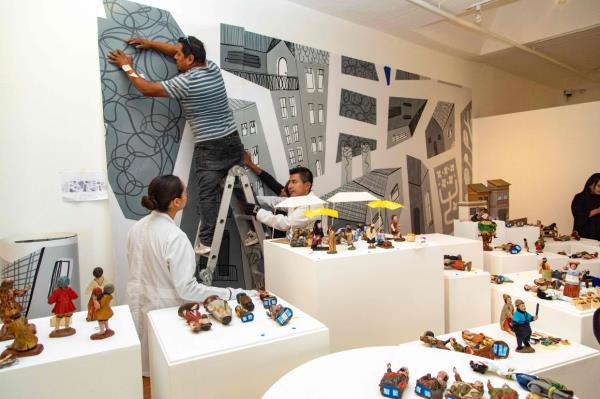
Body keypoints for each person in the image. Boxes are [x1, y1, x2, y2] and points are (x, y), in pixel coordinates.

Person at [108, 36, 243, 256]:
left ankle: (207, 242)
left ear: (190, 59)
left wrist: (127, 66)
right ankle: (251, 232)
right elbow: (174, 50)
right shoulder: (212, 68)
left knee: (207, 194)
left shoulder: (186, 82)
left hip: (210, 147)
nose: (175, 57)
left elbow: (146, 88)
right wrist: (151, 44)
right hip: (232, 141)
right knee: (237, 188)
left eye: (179, 55)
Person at [127, 174, 254, 375]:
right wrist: (229, 293)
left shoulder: (136, 227)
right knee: (166, 372)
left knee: (146, 370)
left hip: (139, 304)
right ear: (176, 202)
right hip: (164, 309)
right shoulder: (174, 237)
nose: (188, 194)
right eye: (185, 191)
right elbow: (187, 289)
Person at [245, 167, 318, 233]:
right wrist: (253, 198)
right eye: (289, 182)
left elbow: (286, 224)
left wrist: (258, 211)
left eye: (294, 182)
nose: (289, 186)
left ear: (307, 186)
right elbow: (276, 202)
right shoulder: (298, 199)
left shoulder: (311, 205)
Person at [571, 173, 600, 240]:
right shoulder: (579, 198)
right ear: (590, 184)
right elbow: (579, 217)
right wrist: (597, 211)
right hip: (583, 238)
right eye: (599, 186)